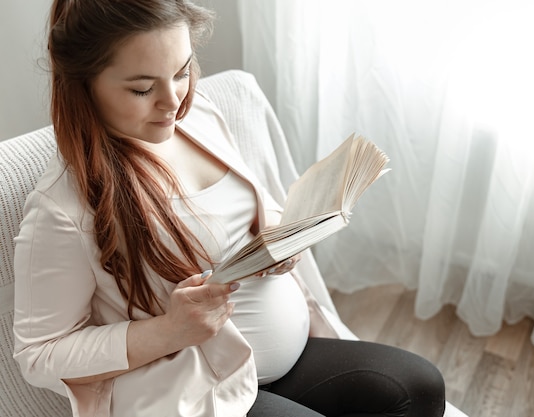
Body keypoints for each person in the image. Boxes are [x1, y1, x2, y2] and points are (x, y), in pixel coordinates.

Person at [12, 1, 446, 416]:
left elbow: (238, 208)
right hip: (194, 388)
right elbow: (40, 355)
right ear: (82, 83)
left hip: (279, 359)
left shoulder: (197, 115)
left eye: (181, 72)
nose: (173, 101)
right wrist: (169, 330)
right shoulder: (60, 209)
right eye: (143, 88)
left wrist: (278, 233)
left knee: (419, 387)